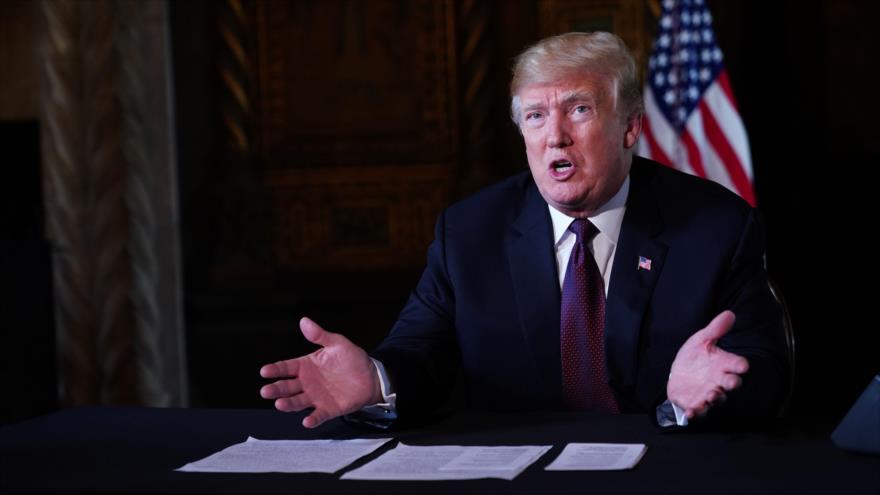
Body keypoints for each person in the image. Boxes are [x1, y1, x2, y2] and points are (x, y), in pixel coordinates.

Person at [259, 32, 789, 429]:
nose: (555, 137)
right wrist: (378, 380)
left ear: (630, 125)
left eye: (578, 110)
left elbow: (766, 370)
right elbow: (420, 354)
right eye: (535, 116)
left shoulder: (715, 227)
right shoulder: (469, 232)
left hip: (661, 466)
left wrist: (699, 398)